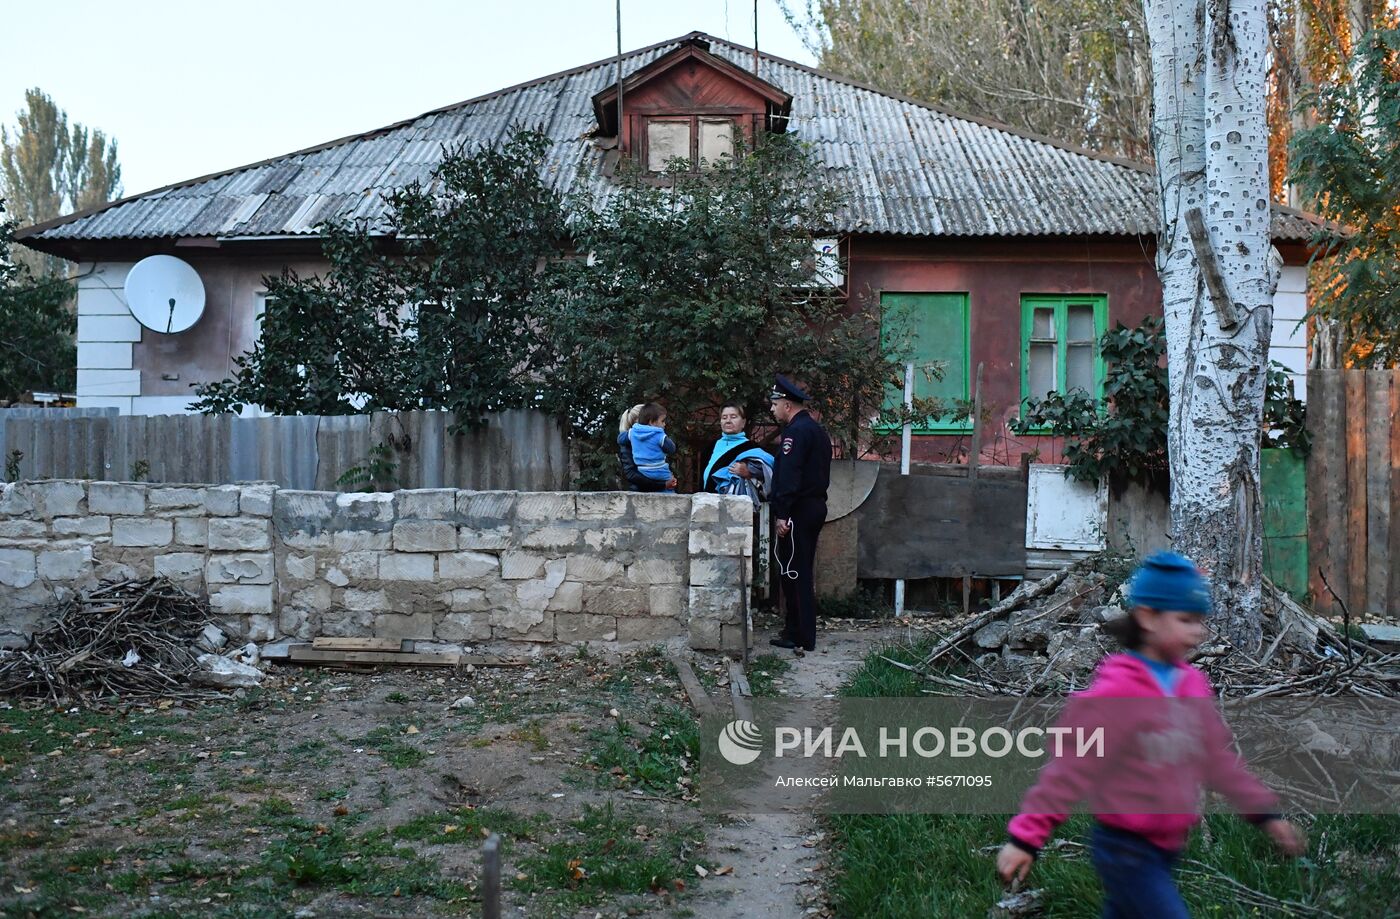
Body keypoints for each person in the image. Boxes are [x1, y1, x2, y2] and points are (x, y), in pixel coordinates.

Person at [996, 551, 1306, 918]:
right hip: (1126, 848)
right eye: (1186, 619)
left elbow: (1217, 762)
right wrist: (1025, 839)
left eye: (1200, 620)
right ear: (1147, 617)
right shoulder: (1117, 692)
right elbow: (1068, 771)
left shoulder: (1191, 684)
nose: (1198, 631)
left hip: (1167, 847)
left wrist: (1266, 816)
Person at [767, 375, 832, 653]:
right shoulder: (815, 430)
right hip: (812, 506)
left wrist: (783, 513)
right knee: (797, 570)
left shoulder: (795, 432)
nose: (772, 410)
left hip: (798, 510)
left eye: (774, 404)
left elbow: (791, 476)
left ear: (787, 404)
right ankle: (796, 629)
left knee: (794, 572)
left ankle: (800, 634)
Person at [702, 402, 774, 508]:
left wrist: (750, 472)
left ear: (743, 422)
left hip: (737, 510)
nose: (728, 421)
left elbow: (769, 474)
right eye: (724, 417)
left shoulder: (751, 448)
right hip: (707, 505)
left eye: (733, 417)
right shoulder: (711, 446)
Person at [616, 403, 675, 492]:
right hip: (642, 493)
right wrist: (664, 484)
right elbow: (632, 475)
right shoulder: (628, 445)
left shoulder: (653, 439)